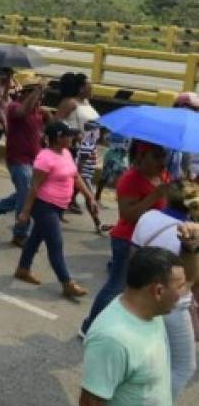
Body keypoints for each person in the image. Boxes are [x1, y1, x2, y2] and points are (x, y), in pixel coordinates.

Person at [78, 247, 184, 406]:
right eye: (180, 288)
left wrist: (191, 248)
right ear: (158, 291)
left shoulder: (150, 309)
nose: (183, 294)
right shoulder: (113, 339)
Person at [80, 141, 173, 336]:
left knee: (138, 289)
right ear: (140, 157)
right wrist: (155, 195)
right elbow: (127, 215)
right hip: (127, 240)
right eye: (156, 156)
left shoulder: (162, 175)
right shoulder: (130, 179)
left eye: (163, 156)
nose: (162, 161)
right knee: (116, 285)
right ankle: (89, 326)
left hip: (149, 242)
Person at [129, 183, 199, 400]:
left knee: (143, 361)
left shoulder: (148, 216)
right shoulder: (191, 233)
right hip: (173, 307)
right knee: (182, 366)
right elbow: (191, 281)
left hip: (140, 299)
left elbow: (133, 258)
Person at [14, 121, 97, 297]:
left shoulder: (66, 153)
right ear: (59, 138)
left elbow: (75, 176)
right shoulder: (45, 158)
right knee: (55, 245)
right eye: (69, 135)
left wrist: (90, 196)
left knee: (36, 238)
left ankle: (23, 268)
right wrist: (26, 212)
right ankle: (67, 282)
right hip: (44, 206)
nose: (72, 137)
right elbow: (34, 186)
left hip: (59, 206)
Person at [0, 77, 50, 246]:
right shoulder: (14, 107)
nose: (40, 98)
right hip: (18, 160)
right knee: (27, 194)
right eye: (36, 94)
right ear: (26, 94)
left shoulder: (38, 112)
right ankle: (20, 233)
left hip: (34, 160)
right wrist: (38, 89)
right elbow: (22, 112)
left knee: (25, 194)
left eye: (41, 95)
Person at [55, 72, 100, 214]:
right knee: (80, 178)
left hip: (89, 147)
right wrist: (74, 134)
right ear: (81, 88)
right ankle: (94, 216)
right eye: (89, 86)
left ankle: (68, 200)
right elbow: (56, 123)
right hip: (75, 148)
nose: (92, 88)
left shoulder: (86, 102)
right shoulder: (70, 103)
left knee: (82, 176)